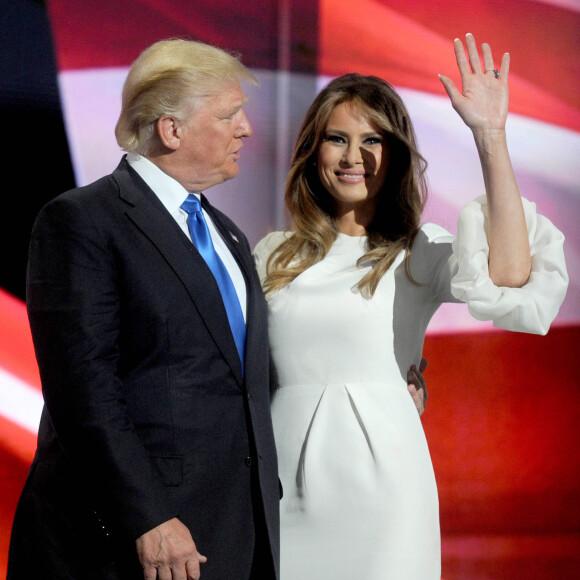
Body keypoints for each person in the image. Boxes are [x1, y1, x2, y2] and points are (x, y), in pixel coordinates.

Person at [253, 34, 568, 579]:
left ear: (395, 155)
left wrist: (490, 135)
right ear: (313, 150)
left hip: (385, 498)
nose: (355, 157)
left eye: (373, 140)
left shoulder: (419, 253)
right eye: (337, 139)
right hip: (283, 491)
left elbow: (513, 275)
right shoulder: (270, 255)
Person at [7, 38, 281, 580]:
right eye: (229, 116)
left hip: (232, 533)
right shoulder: (82, 221)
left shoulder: (226, 234)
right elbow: (83, 390)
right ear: (171, 129)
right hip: (132, 542)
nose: (246, 130)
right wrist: (148, 517)